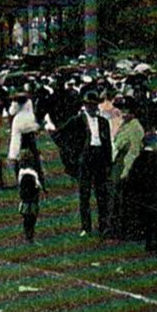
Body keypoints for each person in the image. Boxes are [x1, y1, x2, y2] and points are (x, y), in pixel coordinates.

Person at [54, 91, 111, 236]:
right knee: (84, 194)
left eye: (94, 105)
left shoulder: (103, 122)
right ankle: (86, 227)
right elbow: (59, 136)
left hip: (99, 157)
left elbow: (108, 144)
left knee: (101, 194)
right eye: (89, 105)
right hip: (85, 158)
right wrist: (72, 155)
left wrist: (108, 162)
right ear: (85, 106)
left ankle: (103, 225)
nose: (92, 108)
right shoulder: (77, 121)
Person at [104, 99, 146, 239]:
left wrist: (126, 171)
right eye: (122, 110)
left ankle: (124, 230)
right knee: (116, 197)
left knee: (123, 198)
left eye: (127, 110)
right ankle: (115, 228)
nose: (123, 113)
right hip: (119, 161)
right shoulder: (125, 125)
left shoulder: (135, 127)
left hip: (127, 163)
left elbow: (134, 151)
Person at [127, 131, 157, 252]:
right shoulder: (155, 158)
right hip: (155, 194)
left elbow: (132, 176)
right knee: (156, 221)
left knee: (147, 221)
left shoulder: (139, 158)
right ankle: (155, 243)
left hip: (143, 195)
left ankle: (148, 243)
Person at [16, 141, 45, 243]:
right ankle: (29, 236)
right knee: (31, 219)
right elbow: (35, 187)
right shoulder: (30, 174)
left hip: (26, 200)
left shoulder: (22, 173)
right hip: (31, 201)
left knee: (27, 219)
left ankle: (28, 235)